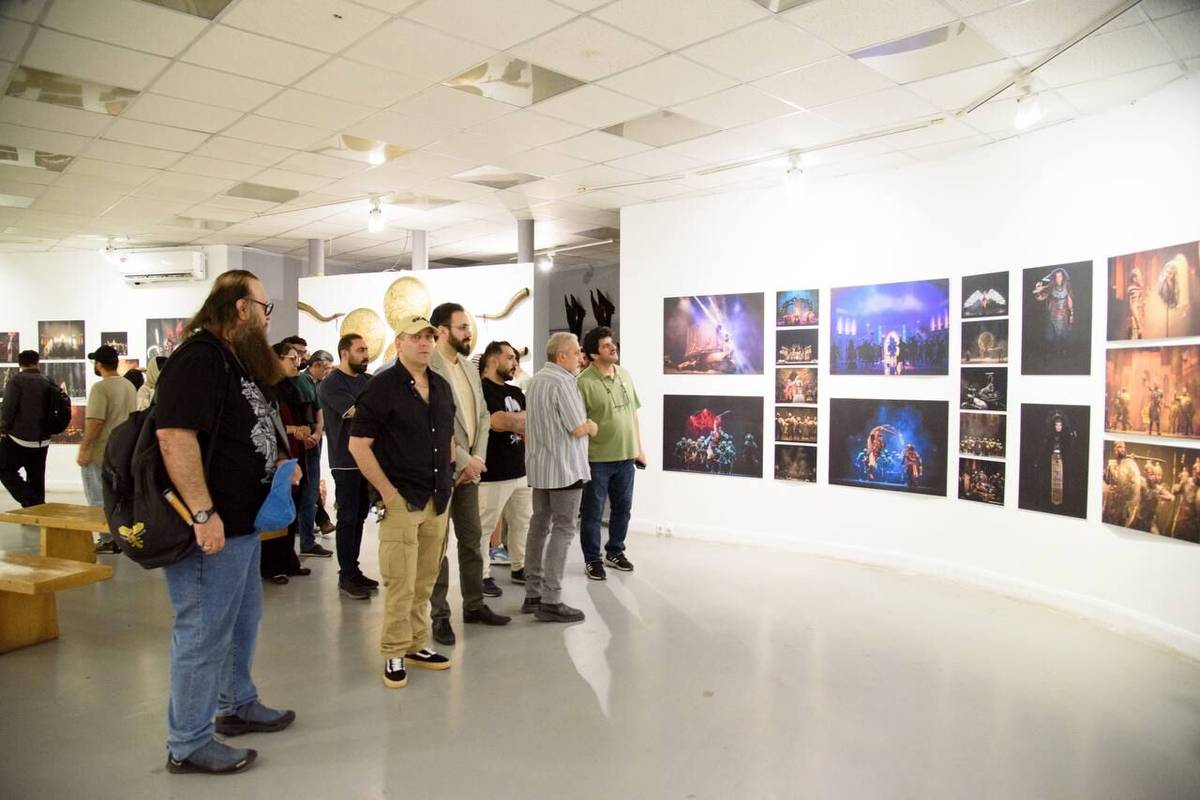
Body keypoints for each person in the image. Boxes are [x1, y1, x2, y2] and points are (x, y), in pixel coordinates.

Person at [155, 270, 295, 775]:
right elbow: (174, 437)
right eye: (264, 307)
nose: (266, 318)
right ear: (241, 308)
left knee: (241, 620)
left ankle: (236, 704)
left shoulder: (232, 358)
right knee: (202, 632)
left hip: (241, 523)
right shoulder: (198, 357)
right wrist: (203, 512)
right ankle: (188, 743)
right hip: (210, 527)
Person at [348, 317, 456, 689]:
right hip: (401, 500)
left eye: (429, 337)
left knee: (425, 581)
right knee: (400, 582)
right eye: (415, 338)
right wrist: (388, 493)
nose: (424, 343)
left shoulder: (440, 386)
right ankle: (394, 650)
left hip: (436, 499)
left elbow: (448, 437)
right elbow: (358, 446)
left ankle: (415, 644)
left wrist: (450, 474)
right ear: (399, 343)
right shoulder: (382, 387)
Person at [427, 302, 510, 646]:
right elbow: (431, 424)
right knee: (437, 547)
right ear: (442, 331)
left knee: (472, 540)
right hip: (438, 471)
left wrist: (477, 458)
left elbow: (484, 417)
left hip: (469, 472)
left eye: (468, 327)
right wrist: (464, 461)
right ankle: (440, 615)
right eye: (462, 327)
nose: (468, 333)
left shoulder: (468, 366)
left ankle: (474, 605)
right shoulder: (427, 366)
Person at [523, 332, 595, 622]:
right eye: (576, 352)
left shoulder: (536, 380)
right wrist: (592, 426)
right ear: (562, 355)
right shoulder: (564, 381)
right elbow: (576, 427)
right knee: (563, 529)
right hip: (565, 469)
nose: (580, 357)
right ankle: (551, 600)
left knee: (539, 525)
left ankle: (532, 593)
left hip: (541, 468)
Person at [576, 326, 644, 581]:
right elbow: (578, 423)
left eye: (612, 343)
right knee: (593, 513)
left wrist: (639, 448)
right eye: (606, 345)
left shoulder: (624, 374)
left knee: (623, 509)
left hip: (626, 456)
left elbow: (633, 413)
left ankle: (615, 551)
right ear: (594, 354)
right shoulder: (583, 382)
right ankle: (592, 559)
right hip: (597, 460)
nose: (613, 347)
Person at [320, 333, 377, 599]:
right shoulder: (332, 383)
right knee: (348, 517)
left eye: (366, 350)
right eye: (360, 350)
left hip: (368, 459)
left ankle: (353, 570)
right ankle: (346, 575)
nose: (366, 355)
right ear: (345, 352)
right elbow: (357, 411)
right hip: (345, 461)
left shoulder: (367, 380)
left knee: (361, 515)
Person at [477, 341, 532, 590]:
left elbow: (528, 424)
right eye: (510, 358)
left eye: (516, 359)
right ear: (493, 360)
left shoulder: (516, 392)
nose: (515, 363)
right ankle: (482, 575)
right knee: (485, 527)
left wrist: (513, 420)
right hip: (492, 472)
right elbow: (497, 422)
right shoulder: (482, 391)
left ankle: (519, 567)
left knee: (522, 522)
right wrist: (517, 420)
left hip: (519, 470)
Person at [259, 342, 311, 584]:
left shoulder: (290, 387)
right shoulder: (266, 388)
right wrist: (293, 430)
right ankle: (272, 566)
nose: (296, 362)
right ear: (277, 359)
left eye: (298, 357)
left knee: (292, 508)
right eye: (291, 358)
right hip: (277, 457)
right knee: (276, 509)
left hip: (294, 453)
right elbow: (267, 424)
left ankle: (289, 560)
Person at [79, 344, 137, 554]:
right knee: (120, 496)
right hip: (123, 450)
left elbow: (95, 421)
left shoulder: (100, 388)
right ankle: (122, 537)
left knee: (97, 497)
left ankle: (107, 539)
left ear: (99, 364)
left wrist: (84, 449)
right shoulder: (129, 386)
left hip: (101, 452)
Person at [0, 350, 52, 507]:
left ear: (20, 364)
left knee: (4, 468)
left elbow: (8, 410)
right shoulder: (48, 381)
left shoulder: (16, 381)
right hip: (43, 439)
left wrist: (3, 429)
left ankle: (31, 500)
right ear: (37, 362)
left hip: (19, 438)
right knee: (36, 477)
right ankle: (38, 508)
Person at [303, 350, 337, 536]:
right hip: (306, 438)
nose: (328, 372)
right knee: (309, 483)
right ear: (316, 365)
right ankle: (319, 522)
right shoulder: (304, 382)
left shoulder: (321, 384)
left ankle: (317, 523)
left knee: (311, 482)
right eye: (326, 368)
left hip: (316, 436)